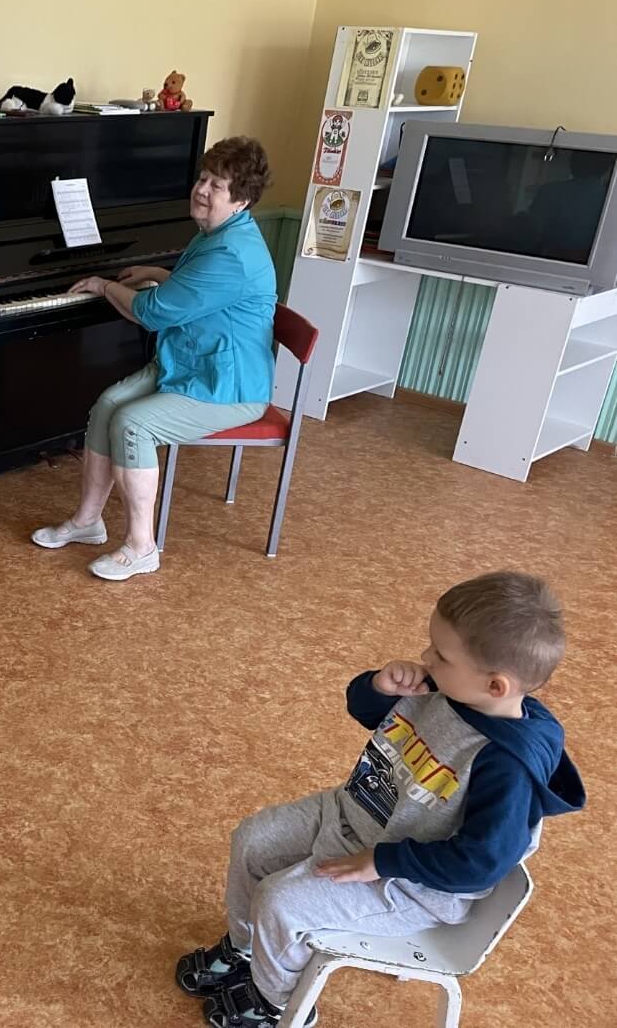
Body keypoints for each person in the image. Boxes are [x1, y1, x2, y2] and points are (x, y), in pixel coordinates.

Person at [178, 572, 585, 1028]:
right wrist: (378, 687)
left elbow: (480, 862)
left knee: (280, 901)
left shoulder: (506, 765)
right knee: (252, 840)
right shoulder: (447, 687)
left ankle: (276, 1003)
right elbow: (370, 713)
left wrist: (384, 861)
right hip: (352, 813)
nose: (426, 657)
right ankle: (246, 949)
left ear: (496, 687)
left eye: (441, 654)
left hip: (409, 883)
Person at [32, 136, 278, 581]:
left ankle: (142, 547)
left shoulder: (233, 253)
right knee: (108, 404)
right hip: (191, 364)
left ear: (241, 200)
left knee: (134, 423)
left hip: (229, 386)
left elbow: (152, 313)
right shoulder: (217, 233)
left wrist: (104, 286)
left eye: (217, 186)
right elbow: (194, 289)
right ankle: (87, 521)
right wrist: (157, 273)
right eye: (202, 178)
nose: (202, 190)